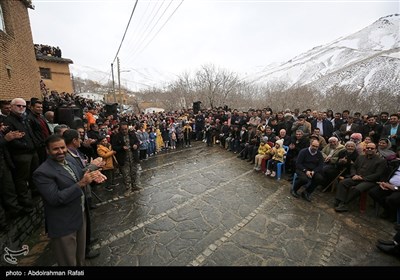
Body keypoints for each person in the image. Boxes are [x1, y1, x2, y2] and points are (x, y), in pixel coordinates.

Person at [32, 134, 105, 266]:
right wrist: (81, 184)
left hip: (79, 215)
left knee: (80, 259)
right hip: (64, 224)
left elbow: (80, 174)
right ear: (48, 151)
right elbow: (55, 198)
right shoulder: (42, 173)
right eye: (55, 149)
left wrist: (93, 173)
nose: (60, 151)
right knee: (68, 262)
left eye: (62, 147)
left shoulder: (69, 161)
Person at [334, 142, 387, 212]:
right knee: (343, 182)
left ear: (376, 150)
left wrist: (363, 178)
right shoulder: (361, 157)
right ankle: (339, 200)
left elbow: (378, 174)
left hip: (369, 181)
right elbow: (353, 167)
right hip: (356, 177)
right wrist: (354, 174)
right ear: (365, 149)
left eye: (372, 148)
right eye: (368, 148)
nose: (370, 149)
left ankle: (344, 204)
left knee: (357, 188)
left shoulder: (381, 160)